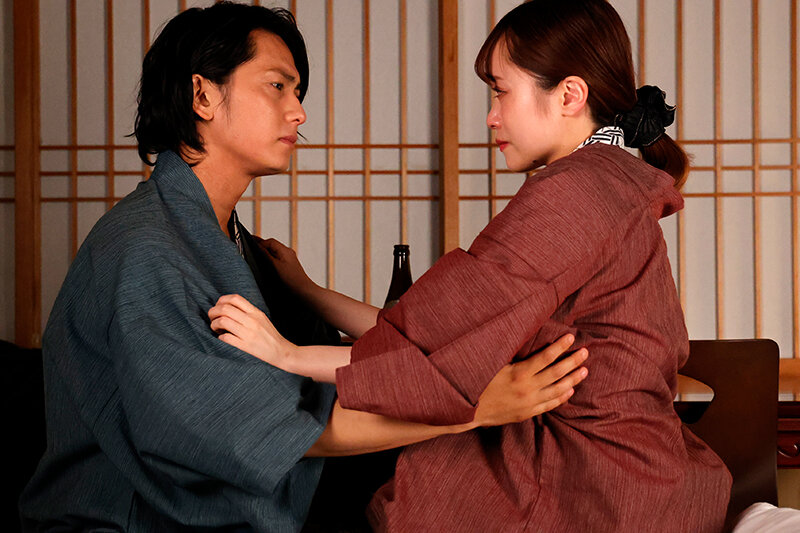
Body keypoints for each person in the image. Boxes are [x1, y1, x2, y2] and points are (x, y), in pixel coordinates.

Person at [18, 2, 588, 531]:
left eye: (297, 91)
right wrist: (472, 407)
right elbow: (263, 425)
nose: (298, 110)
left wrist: (454, 382)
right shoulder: (142, 250)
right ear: (203, 96)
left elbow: (327, 373)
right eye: (277, 86)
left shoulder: (233, 242)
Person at [209, 1, 733, 531]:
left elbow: (434, 345)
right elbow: (439, 335)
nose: (491, 116)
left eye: (501, 92)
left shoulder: (575, 193)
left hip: (593, 488)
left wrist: (287, 355)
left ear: (569, 95)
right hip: (641, 477)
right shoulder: (608, 178)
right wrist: (308, 291)